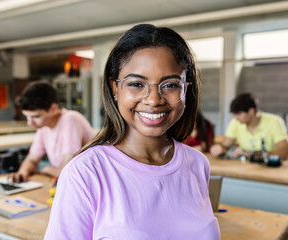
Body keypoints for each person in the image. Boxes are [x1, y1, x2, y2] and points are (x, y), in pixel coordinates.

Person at [45, 24, 220, 239]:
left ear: (186, 89)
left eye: (170, 85)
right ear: (115, 88)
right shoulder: (85, 173)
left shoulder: (197, 164)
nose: (154, 100)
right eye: (137, 83)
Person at [8, 80, 95, 182]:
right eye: (27, 117)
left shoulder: (70, 119)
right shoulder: (44, 126)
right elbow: (32, 159)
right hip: (67, 181)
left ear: (53, 109)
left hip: (87, 181)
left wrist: (46, 169)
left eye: (35, 116)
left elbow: (68, 169)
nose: (29, 123)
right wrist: (22, 173)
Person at [210, 92, 288, 160]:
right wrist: (218, 148)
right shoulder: (236, 122)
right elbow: (225, 145)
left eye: (239, 114)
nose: (235, 117)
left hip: (272, 170)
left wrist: (253, 154)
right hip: (247, 170)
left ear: (251, 111)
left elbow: (286, 151)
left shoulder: (274, 122)